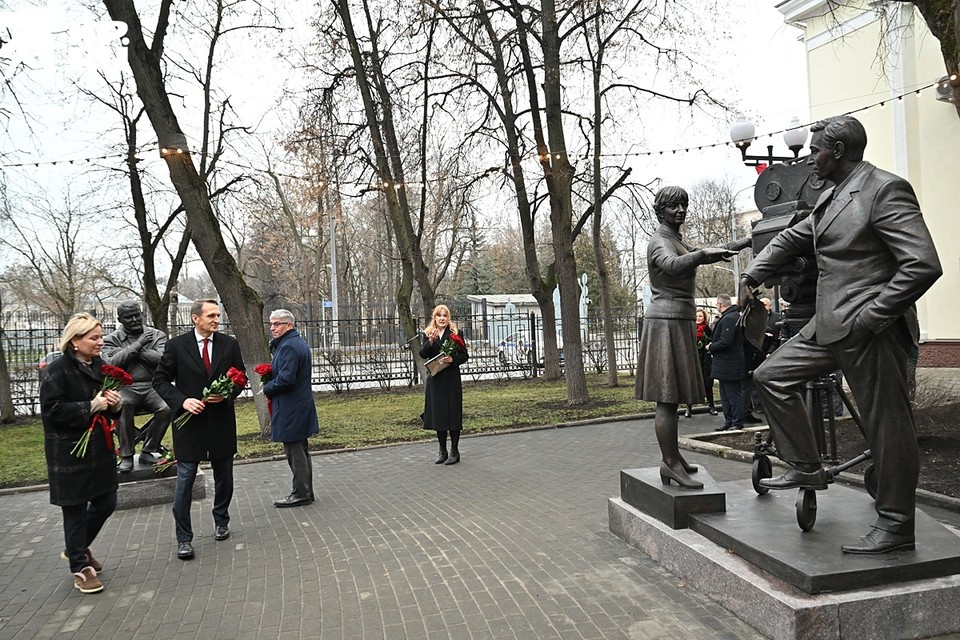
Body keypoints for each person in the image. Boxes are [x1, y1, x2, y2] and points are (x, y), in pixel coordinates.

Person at [740, 115, 942, 554]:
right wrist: (752, 273)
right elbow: (795, 236)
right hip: (830, 323)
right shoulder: (831, 197)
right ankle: (807, 467)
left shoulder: (884, 190)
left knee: (886, 425)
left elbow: (923, 263)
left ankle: (895, 525)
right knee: (771, 377)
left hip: (872, 329)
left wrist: (874, 315)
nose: (811, 160)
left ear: (840, 151)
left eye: (817, 152)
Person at [636, 186, 747, 489]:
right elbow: (672, 265)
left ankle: (673, 458)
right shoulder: (660, 242)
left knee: (674, 396)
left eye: (684, 205)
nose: (681, 210)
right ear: (660, 211)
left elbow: (710, 252)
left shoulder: (675, 240)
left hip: (678, 319)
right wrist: (700, 255)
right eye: (674, 206)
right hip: (666, 321)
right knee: (667, 397)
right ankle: (670, 463)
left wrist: (747, 241)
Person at [153, 299, 246, 560]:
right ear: (195, 318)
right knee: (185, 481)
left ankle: (221, 520)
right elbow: (159, 380)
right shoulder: (176, 346)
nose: (217, 320)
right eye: (211, 316)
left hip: (220, 422)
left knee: (224, 477)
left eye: (218, 315)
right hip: (189, 424)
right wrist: (182, 401)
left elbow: (240, 378)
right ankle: (184, 538)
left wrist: (227, 394)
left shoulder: (229, 344)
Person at [41, 313, 123, 594]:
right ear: (75, 341)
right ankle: (81, 567)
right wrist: (90, 406)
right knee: (74, 510)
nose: (101, 342)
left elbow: (110, 407)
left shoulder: (101, 366)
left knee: (107, 502)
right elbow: (52, 412)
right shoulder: (57, 370)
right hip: (69, 451)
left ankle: (75, 546)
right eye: (94, 338)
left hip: (98, 447)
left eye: (101, 337)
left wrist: (114, 404)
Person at [102, 301, 171, 471]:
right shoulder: (110, 340)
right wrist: (139, 344)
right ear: (120, 319)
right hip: (125, 387)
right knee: (122, 405)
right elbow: (112, 363)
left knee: (167, 407)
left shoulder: (157, 336)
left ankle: (149, 450)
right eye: (128, 317)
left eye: (136, 315)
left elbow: (163, 359)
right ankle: (126, 455)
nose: (134, 320)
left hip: (153, 386)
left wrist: (130, 351)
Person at [263, 309, 319, 508]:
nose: (272, 328)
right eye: (271, 324)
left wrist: (267, 387)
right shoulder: (293, 343)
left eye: (277, 324)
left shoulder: (289, 347)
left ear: (289, 325)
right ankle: (305, 491)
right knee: (300, 450)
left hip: (291, 407)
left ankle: (301, 493)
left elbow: (286, 379)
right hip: (297, 405)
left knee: (295, 452)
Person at [419, 304, 469, 465]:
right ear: (434, 317)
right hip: (436, 380)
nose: (442, 318)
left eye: (445, 316)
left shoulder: (456, 334)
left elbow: (464, 355)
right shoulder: (428, 334)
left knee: (452, 414)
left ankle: (455, 451)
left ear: (448, 318)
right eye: (439, 315)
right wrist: (431, 342)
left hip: (451, 379)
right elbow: (423, 354)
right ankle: (442, 451)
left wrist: (453, 360)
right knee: (439, 415)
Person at [708, 294, 745, 432]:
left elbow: (726, 341)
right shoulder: (733, 316)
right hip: (725, 365)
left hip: (729, 364)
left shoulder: (729, 318)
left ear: (719, 304)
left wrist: (711, 347)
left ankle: (736, 422)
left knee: (733, 395)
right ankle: (729, 421)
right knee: (725, 395)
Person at [684, 309, 718, 418]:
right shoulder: (689, 329)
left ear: (704, 318)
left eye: (700, 316)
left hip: (705, 359)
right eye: (696, 316)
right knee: (691, 383)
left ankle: (711, 405)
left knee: (707, 382)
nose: (698, 318)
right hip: (692, 359)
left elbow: (712, 341)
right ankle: (689, 407)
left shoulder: (707, 329)